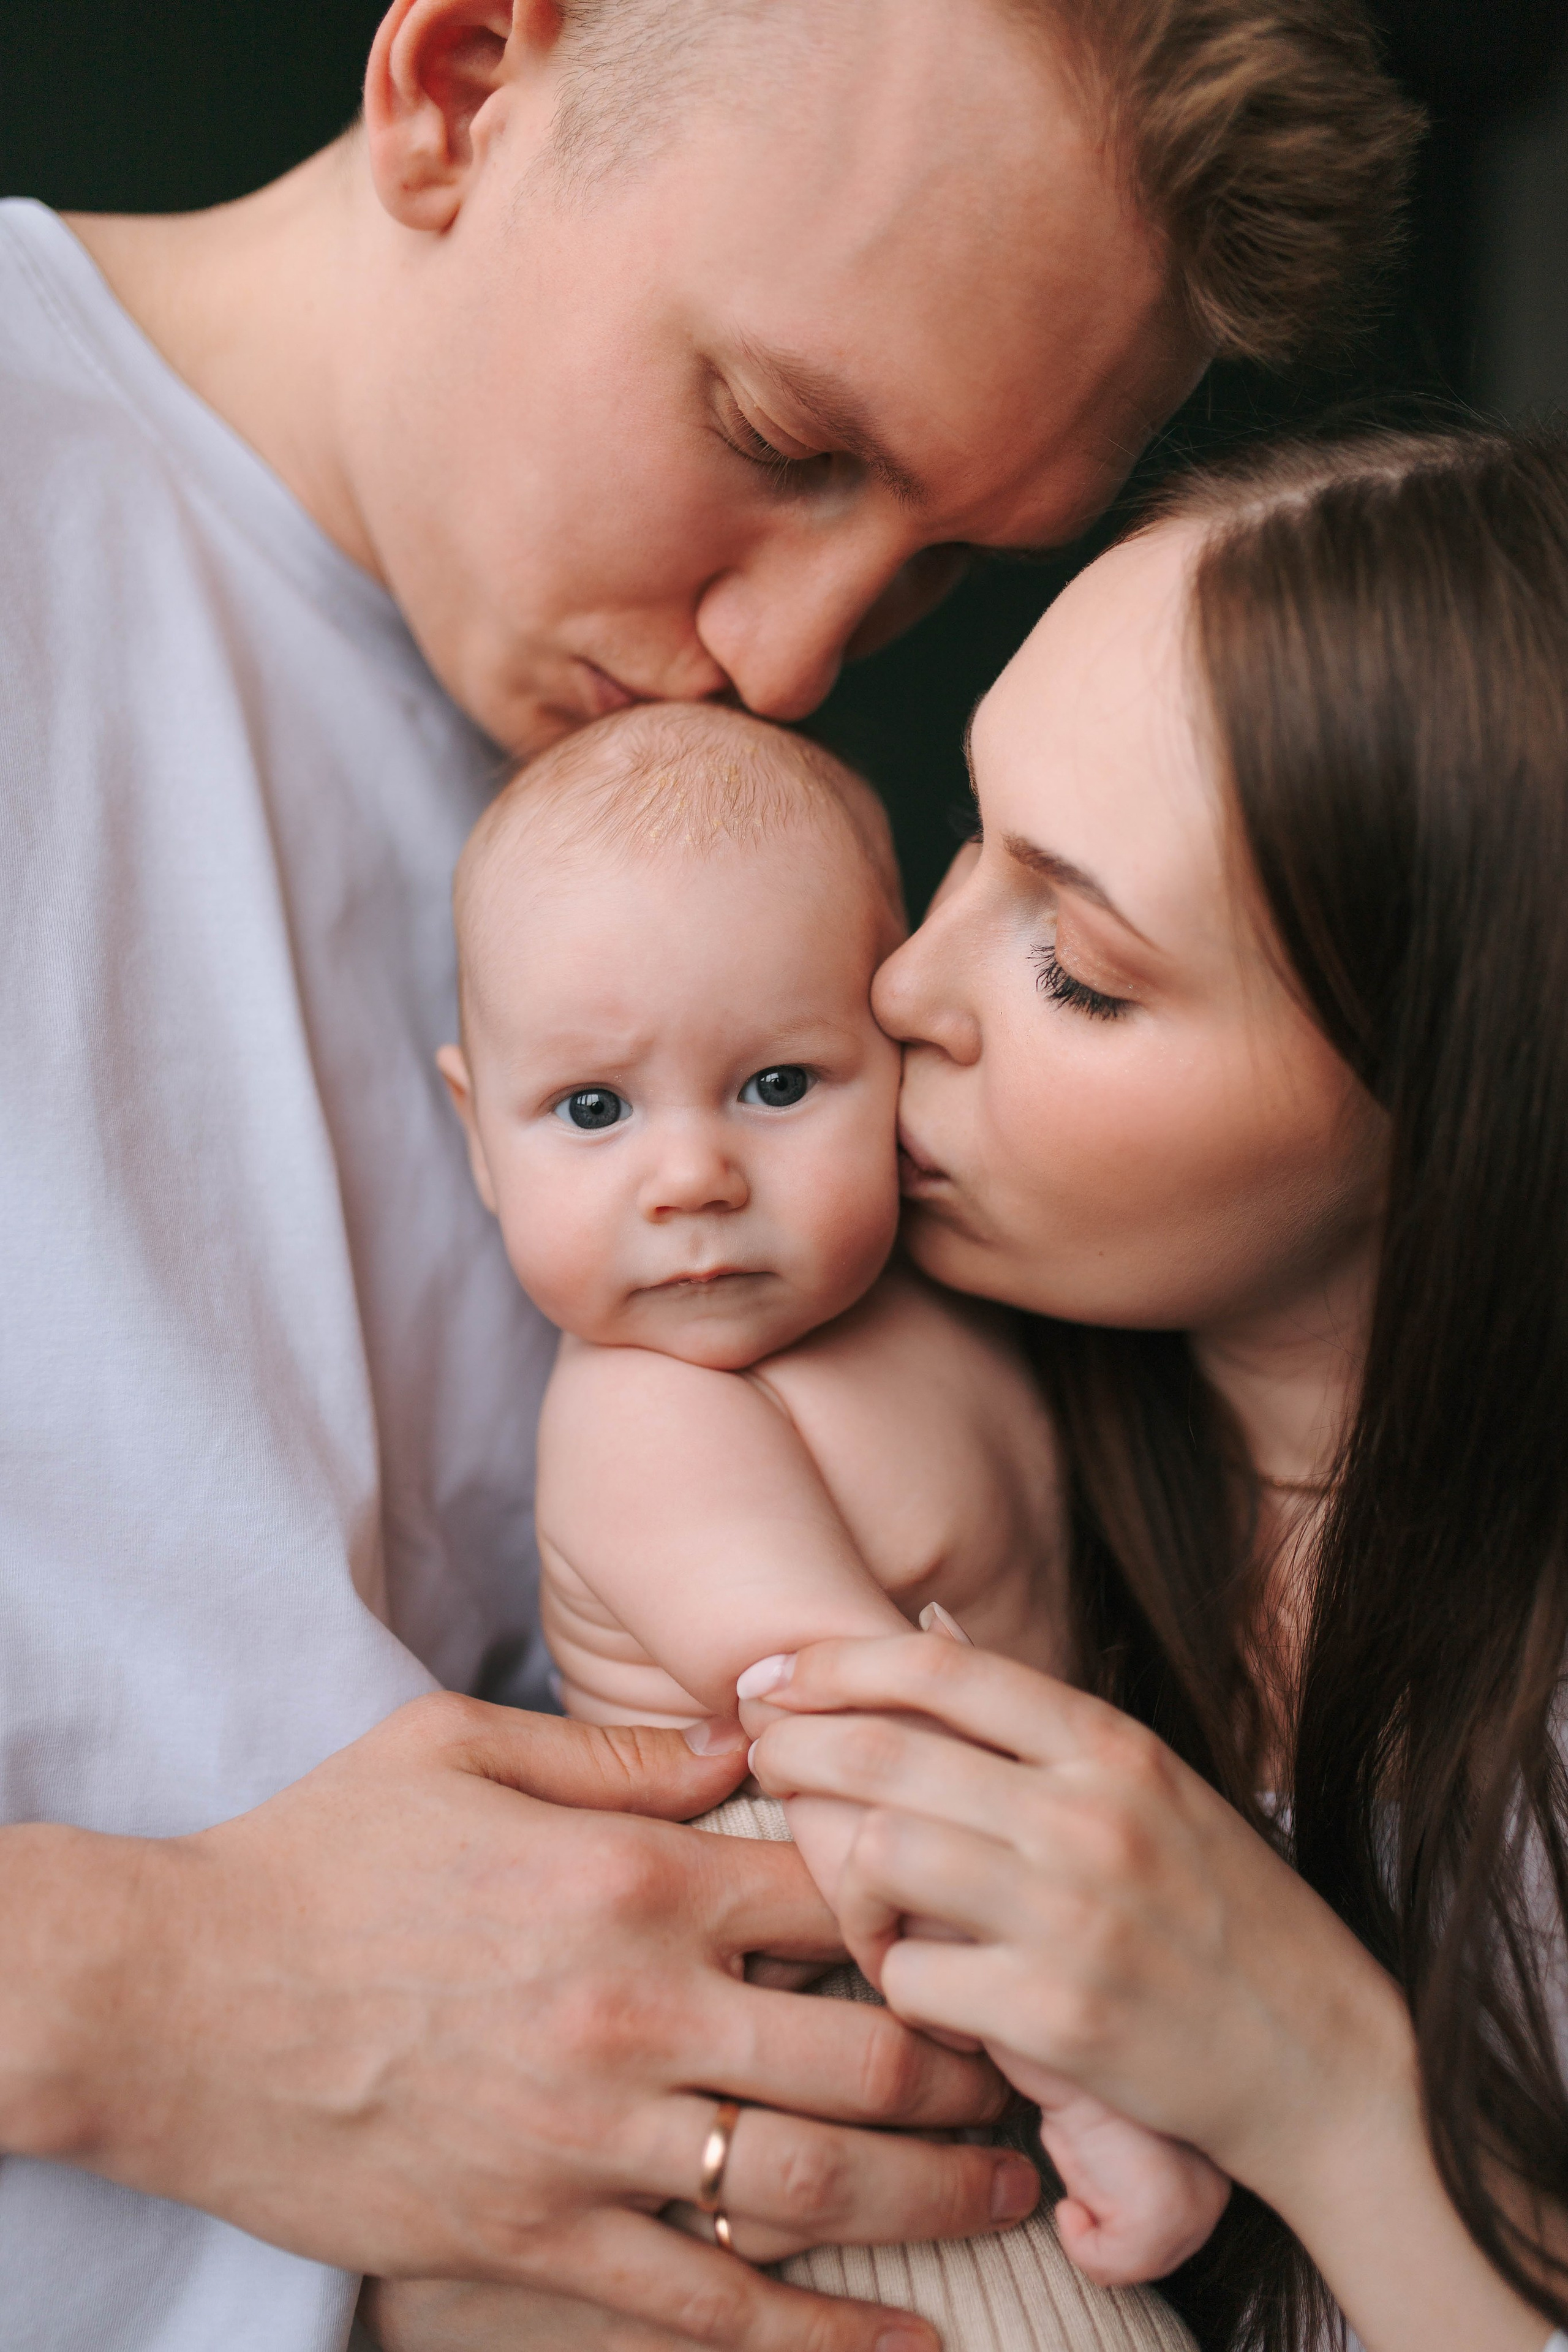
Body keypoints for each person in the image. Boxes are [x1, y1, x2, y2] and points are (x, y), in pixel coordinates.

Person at [0, 2, 1417, 2348]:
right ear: (458, 90)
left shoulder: (741, 863)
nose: (785, 659)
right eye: (776, 436)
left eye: (945, 561)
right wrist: (145, 1990)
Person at [741, 424, 1568, 2352]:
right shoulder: (883, 1413)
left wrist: (1319, 2086)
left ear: (1459, 1101)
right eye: (968, 837)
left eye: (1080, 969)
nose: (904, 989)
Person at [435, 696, 1226, 2307]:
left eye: (780, 1083)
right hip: (836, 2059)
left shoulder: (953, 1301)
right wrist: (1100, 2080)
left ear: (900, 1055)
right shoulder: (652, 1415)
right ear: (476, 1137)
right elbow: (862, 1746)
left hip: (1004, 1952)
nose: (692, 1177)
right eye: (595, 1110)